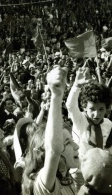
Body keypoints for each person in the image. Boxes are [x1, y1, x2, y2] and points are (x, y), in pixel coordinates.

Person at [22, 66, 80, 195]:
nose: (77, 146)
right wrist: (56, 96)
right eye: (67, 143)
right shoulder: (46, 184)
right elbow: (54, 150)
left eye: (72, 141)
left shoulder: (67, 178)